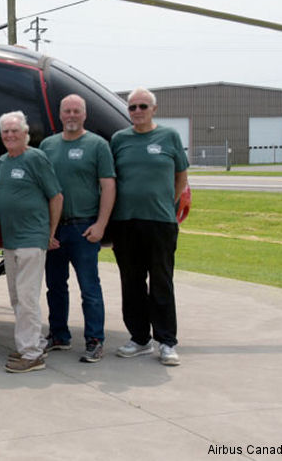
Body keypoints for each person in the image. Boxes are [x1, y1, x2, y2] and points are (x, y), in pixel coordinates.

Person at [111, 87, 189, 367]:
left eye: (143, 106)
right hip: (125, 223)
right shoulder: (119, 140)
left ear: (154, 109)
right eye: (132, 107)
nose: (137, 112)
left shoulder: (169, 137)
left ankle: (166, 341)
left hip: (160, 222)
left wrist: (170, 202)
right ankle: (139, 338)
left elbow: (181, 175)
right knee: (131, 283)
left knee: (161, 282)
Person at [39, 94, 116, 363]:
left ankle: (95, 339)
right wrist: (46, 231)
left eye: (76, 111)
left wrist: (101, 225)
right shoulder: (47, 146)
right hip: (55, 230)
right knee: (55, 287)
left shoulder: (97, 145)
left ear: (85, 115)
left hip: (84, 228)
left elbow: (108, 186)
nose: (71, 115)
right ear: (60, 115)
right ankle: (59, 335)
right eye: (67, 111)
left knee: (89, 288)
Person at [0, 111, 63, 374]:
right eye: (6, 132)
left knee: (27, 297)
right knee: (17, 297)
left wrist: (50, 232)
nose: (10, 135)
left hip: (32, 239)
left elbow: (56, 196)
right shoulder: (3, 161)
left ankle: (33, 354)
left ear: (26, 134)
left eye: (15, 131)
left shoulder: (35, 158)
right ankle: (30, 343)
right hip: (11, 241)